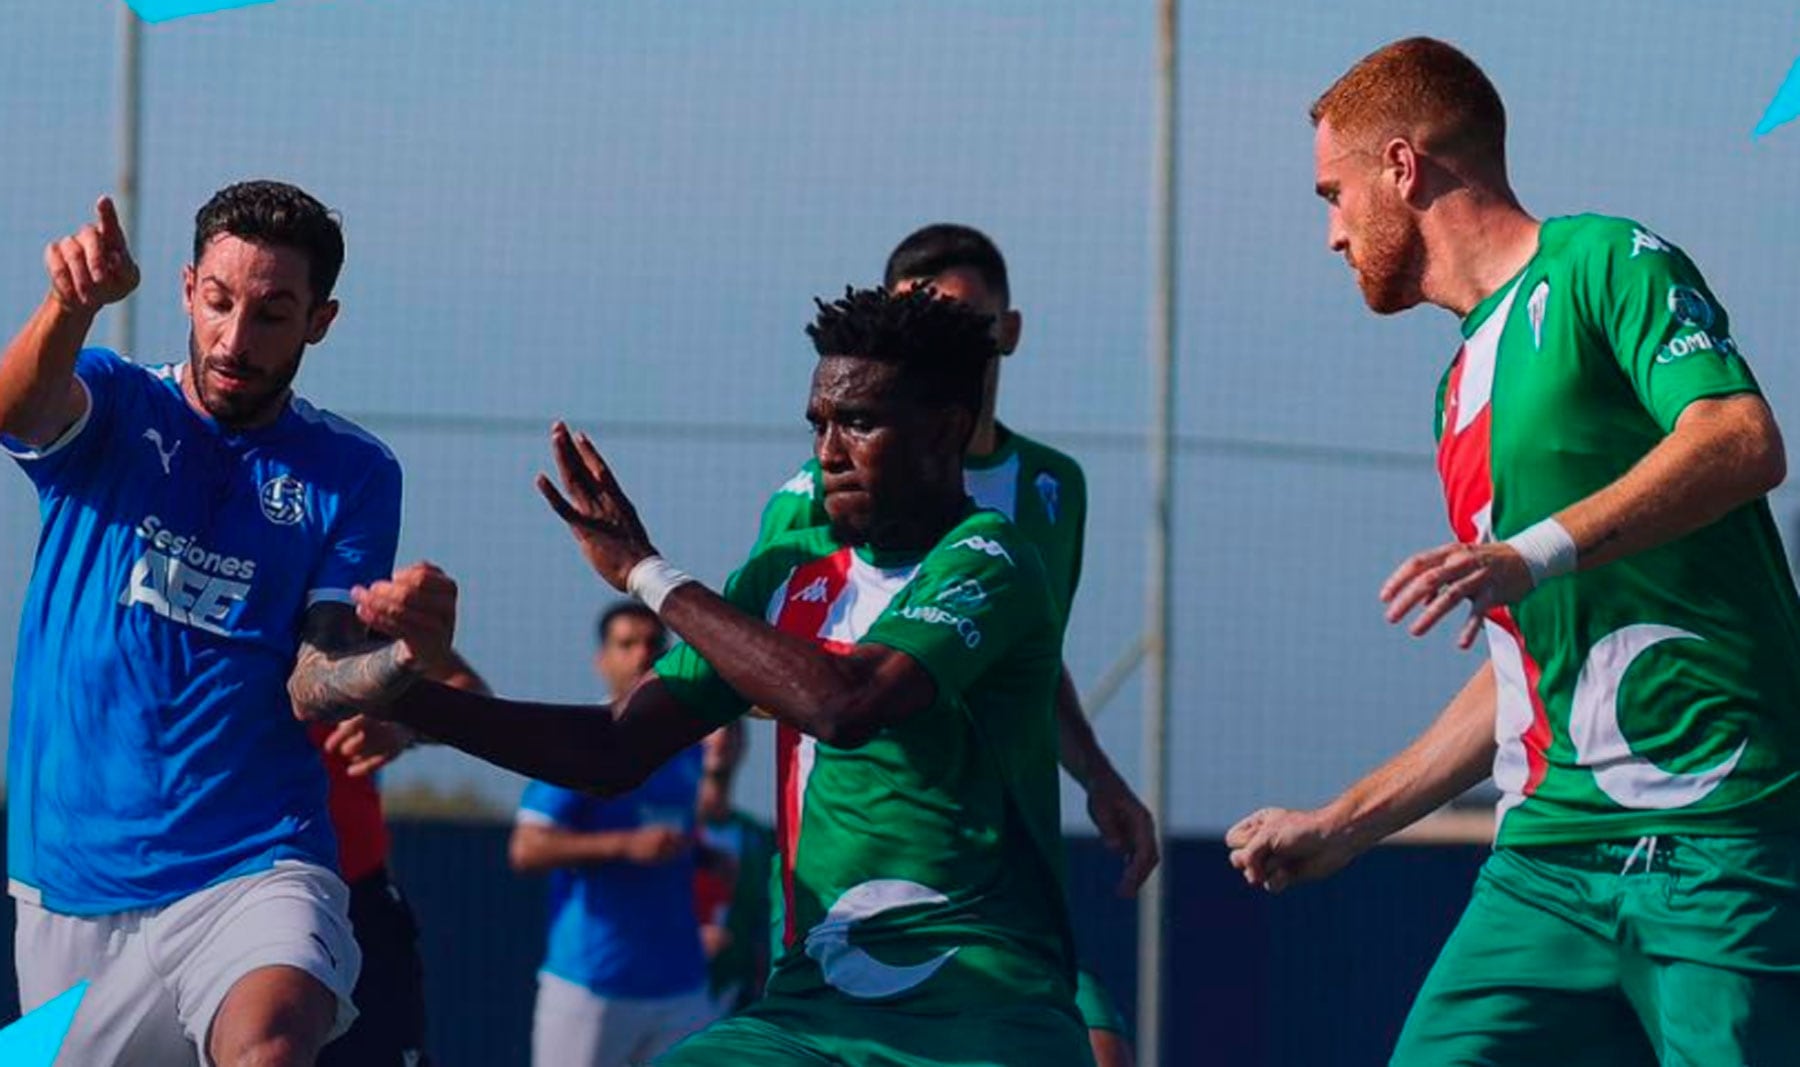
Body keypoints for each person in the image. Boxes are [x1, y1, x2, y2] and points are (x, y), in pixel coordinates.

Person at [1227, 37, 1800, 1065]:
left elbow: (1740, 438)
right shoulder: (1454, 397)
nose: (1330, 234)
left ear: (1401, 168)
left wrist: (1528, 554)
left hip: (1720, 844)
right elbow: (1523, 670)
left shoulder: (1606, 261)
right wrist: (1345, 822)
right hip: (1542, 870)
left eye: (1334, 193)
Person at [352, 286, 1093, 1065]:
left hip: (986, 1013)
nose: (828, 451)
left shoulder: (992, 560)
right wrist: (407, 698)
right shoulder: (786, 575)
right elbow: (613, 747)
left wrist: (646, 571)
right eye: (818, 423)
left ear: (946, 427)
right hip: (813, 1014)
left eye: (860, 422)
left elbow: (847, 704)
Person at [0, 181, 438, 1065]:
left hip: (254, 861)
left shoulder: (353, 472)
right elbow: (16, 414)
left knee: (271, 1047)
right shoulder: (117, 401)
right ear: (187, 287)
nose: (237, 338)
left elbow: (318, 674)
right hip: (69, 881)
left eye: (275, 313)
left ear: (320, 321)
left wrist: (398, 657)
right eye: (220, 301)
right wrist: (68, 304)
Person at [756, 224, 1157, 900]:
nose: (937, 337)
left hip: (1000, 868)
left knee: (1085, 1012)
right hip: (851, 875)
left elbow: (1028, 657)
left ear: (1008, 330)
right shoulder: (818, 493)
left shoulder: (1050, 486)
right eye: (916, 315)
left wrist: (1099, 776)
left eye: (963, 318)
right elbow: (761, 667)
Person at [509, 602, 715, 1067]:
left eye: (654, 646)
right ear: (601, 659)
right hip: (593, 981)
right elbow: (527, 848)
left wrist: (702, 857)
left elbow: (675, 829)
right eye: (627, 645)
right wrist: (625, 846)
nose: (642, 655)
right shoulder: (581, 742)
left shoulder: (687, 749)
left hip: (682, 985)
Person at [691, 720, 773, 1017]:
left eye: (732, 728)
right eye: (711, 726)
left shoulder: (762, 839)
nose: (721, 737)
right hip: (665, 998)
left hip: (736, 1007)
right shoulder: (665, 830)